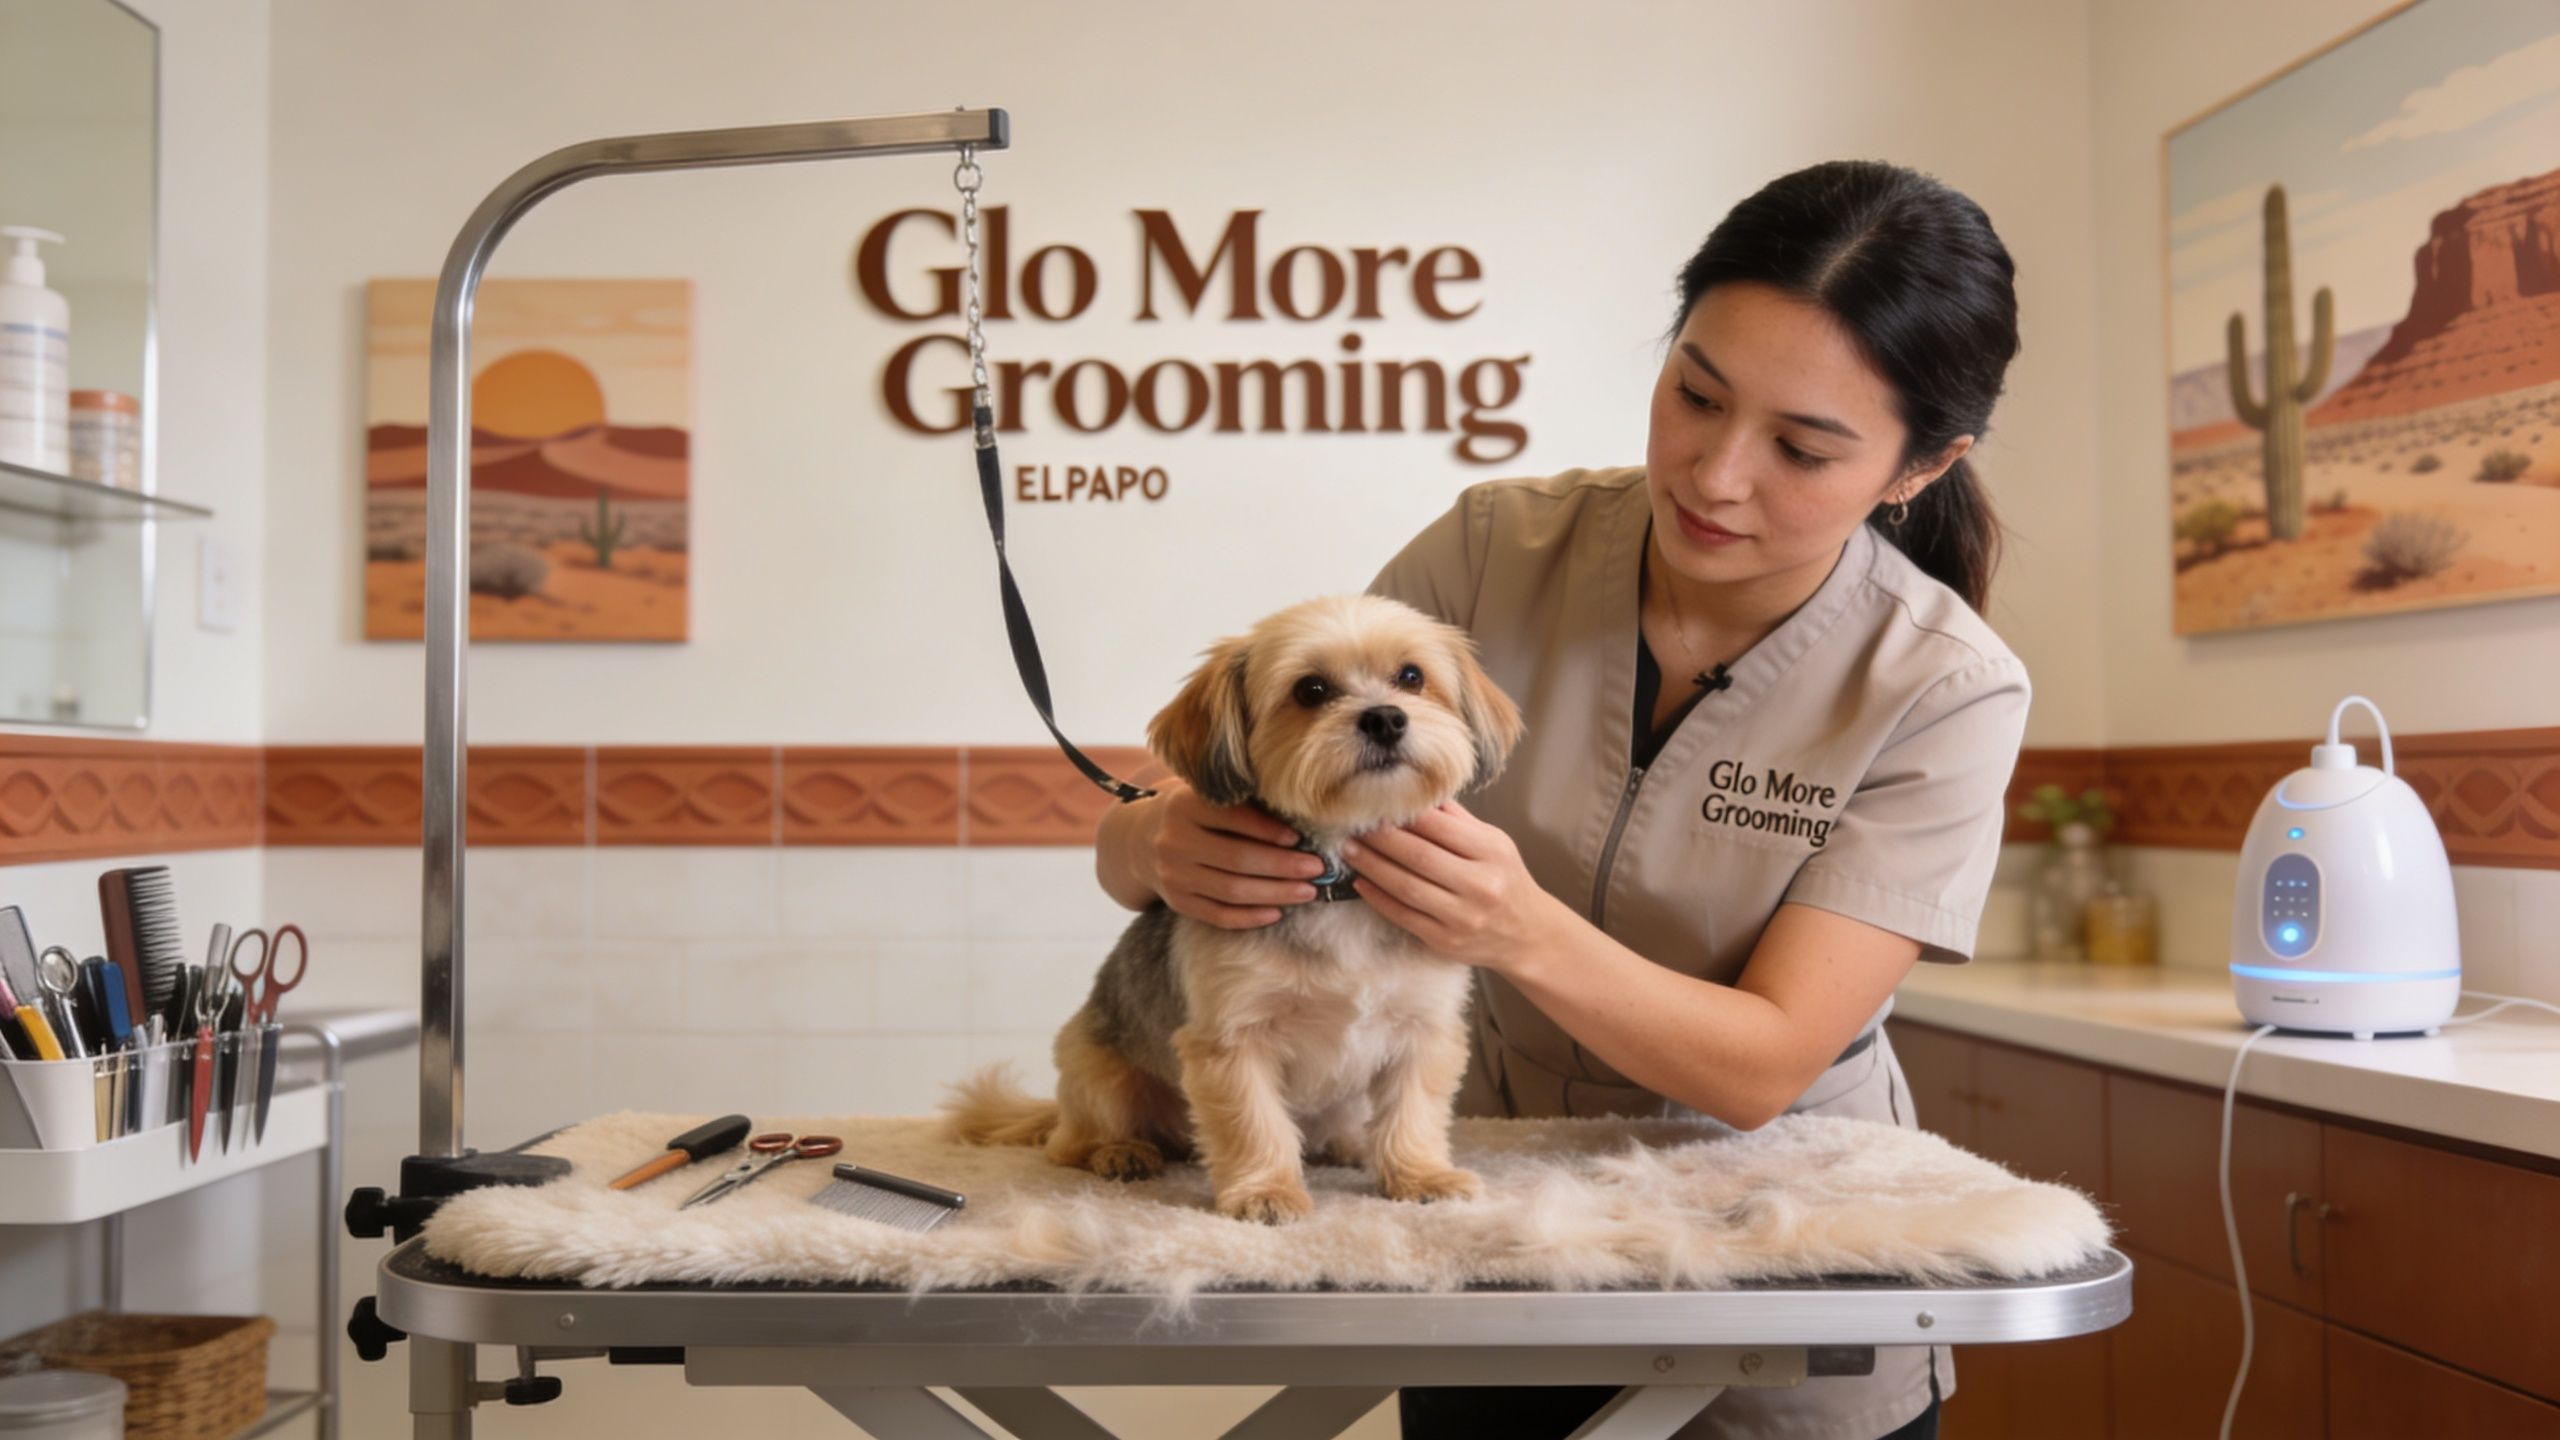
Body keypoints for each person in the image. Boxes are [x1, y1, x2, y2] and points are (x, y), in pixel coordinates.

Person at [1092, 158, 2029, 1440]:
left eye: (1802, 448)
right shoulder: (1493, 546)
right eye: (1694, 394)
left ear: (1921, 466)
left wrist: (1516, 929)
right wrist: (1150, 836)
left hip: (1768, 1228)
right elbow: (1247, 764)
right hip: (1484, 1222)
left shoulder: (1942, 684)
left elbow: (1762, 1064)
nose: (1714, 473)